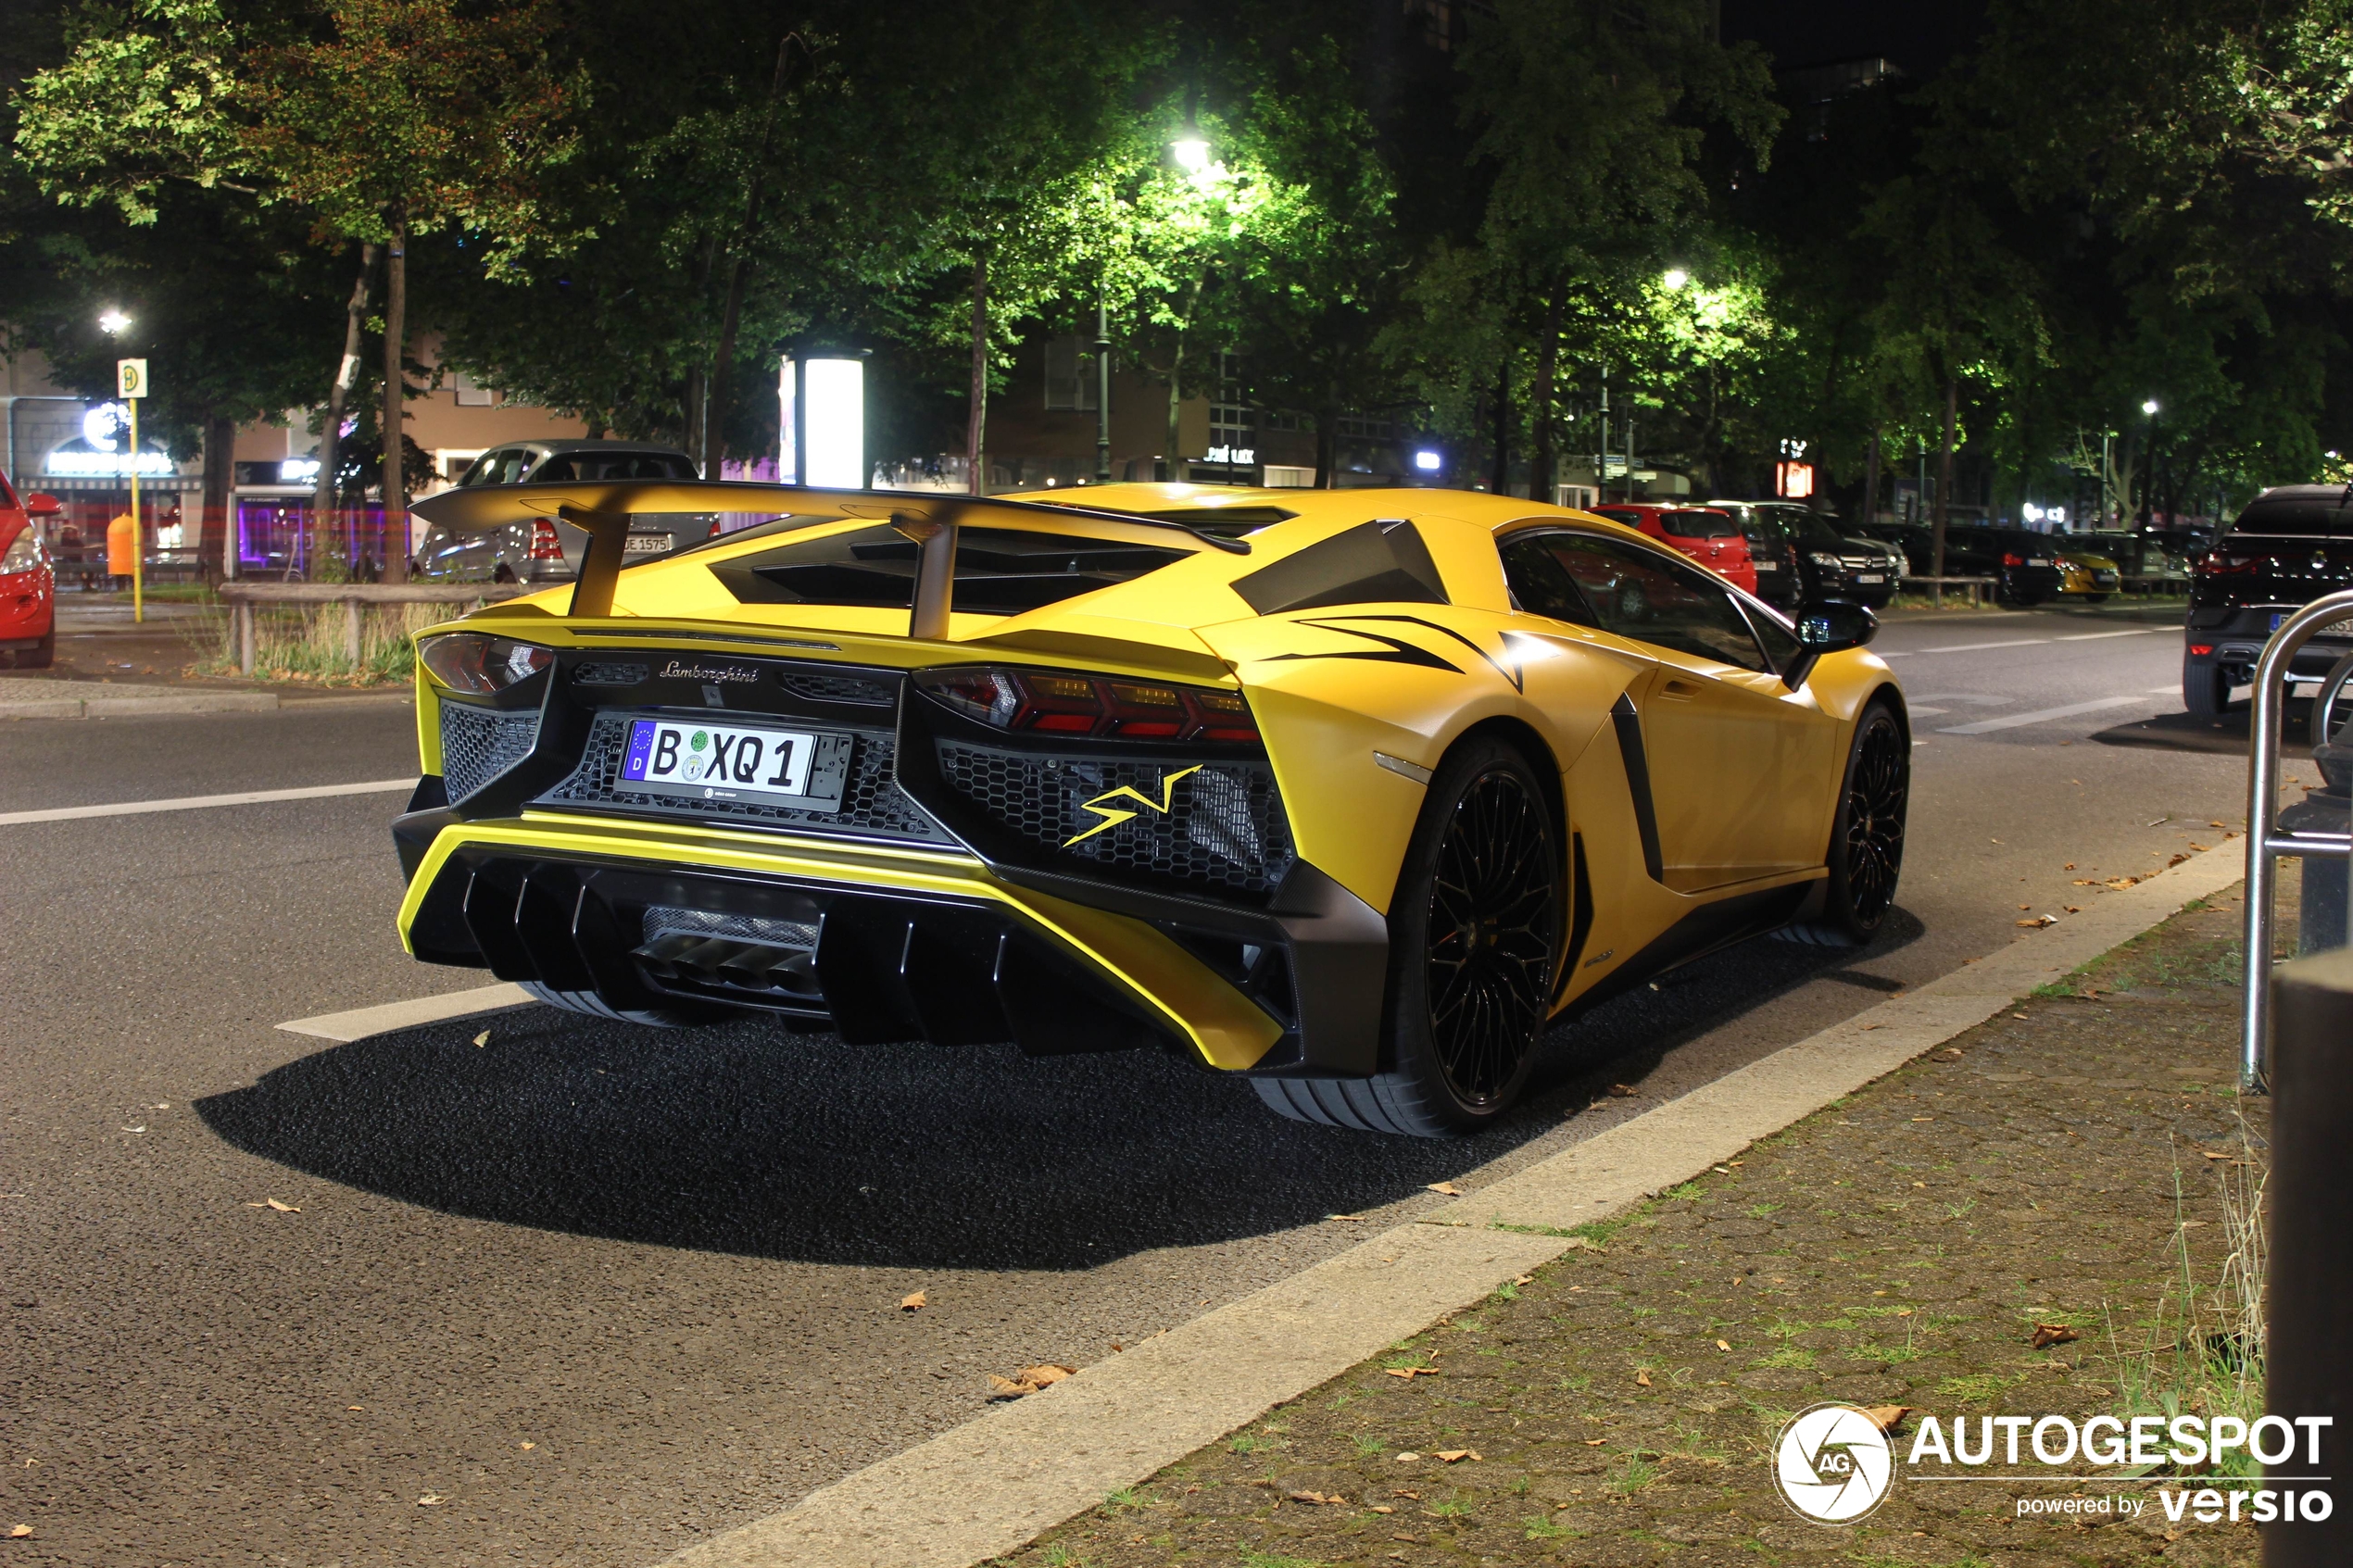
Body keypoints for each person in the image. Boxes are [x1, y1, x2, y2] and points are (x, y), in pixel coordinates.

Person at [107, 510, 137, 591]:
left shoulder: (115, 526)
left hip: (119, 562)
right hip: (131, 561)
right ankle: (134, 589)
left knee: (120, 575)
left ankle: (122, 589)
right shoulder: (134, 526)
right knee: (131, 575)